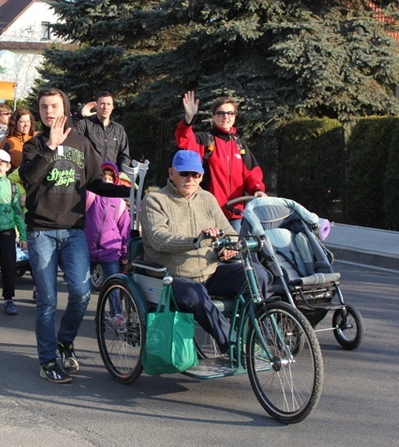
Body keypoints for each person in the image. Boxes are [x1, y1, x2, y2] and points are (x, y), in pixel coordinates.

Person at [19, 87, 130, 384]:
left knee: (81, 294)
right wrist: (51, 147)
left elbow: (96, 183)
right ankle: (47, 360)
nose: (48, 112)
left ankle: (65, 342)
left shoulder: (81, 144)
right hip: (41, 231)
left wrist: (129, 191)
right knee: (47, 301)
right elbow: (28, 177)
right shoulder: (34, 145)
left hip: (74, 231)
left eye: (54, 106)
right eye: (43, 107)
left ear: (65, 109)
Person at [139, 150, 271, 353]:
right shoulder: (154, 200)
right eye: (184, 174)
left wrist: (227, 249)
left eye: (196, 175)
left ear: (201, 176)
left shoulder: (207, 199)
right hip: (173, 277)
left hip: (210, 271)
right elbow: (159, 239)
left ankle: (251, 332)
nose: (190, 179)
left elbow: (228, 232)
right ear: (171, 173)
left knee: (257, 274)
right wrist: (196, 241)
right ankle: (233, 347)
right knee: (196, 293)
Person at [177, 91, 266, 231]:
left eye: (230, 113)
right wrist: (189, 118)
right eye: (220, 113)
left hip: (236, 214)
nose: (226, 117)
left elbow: (251, 173)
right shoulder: (205, 141)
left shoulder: (239, 144)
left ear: (235, 117)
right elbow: (184, 141)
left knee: (236, 251)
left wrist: (258, 189)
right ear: (213, 116)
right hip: (209, 213)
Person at [0, 149, 27, 315]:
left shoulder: (13, 187)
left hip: (7, 231)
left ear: (8, 167)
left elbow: (18, 212)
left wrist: (22, 236)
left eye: (1, 165)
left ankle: (9, 299)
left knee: (9, 265)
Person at [85, 161, 131, 306]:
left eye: (110, 179)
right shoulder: (90, 196)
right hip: (88, 249)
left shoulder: (120, 203)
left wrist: (125, 252)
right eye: (104, 178)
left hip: (111, 251)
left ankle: (117, 315)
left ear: (115, 181)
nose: (107, 182)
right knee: (81, 287)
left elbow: (125, 229)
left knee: (113, 288)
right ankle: (76, 312)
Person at [74, 91, 131, 169]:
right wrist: (80, 115)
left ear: (112, 107)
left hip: (111, 177)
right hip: (91, 176)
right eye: (102, 104)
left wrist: (122, 173)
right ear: (96, 106)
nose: (105, 107)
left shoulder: (119, 130)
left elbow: (124, 156)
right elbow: (69, 134)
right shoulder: (85, 125)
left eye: (108, 104)